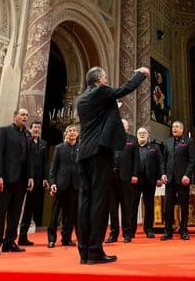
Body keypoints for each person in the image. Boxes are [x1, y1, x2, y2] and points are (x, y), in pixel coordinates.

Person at [76, 66, 148, 265]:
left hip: (84, 154)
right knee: (99, 201)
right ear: (99, 80)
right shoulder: (100, 92)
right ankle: (95, 251)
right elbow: (125, 89)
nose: (107, 81)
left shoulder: (82, 99)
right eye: (105, 78)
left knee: (85, 202)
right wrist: (141, 73)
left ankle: (85, 251)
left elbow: (102, 116)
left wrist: (112, 106)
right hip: (99, 154)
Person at [0, 108, 34, 255]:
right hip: (6, 179)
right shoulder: (4, 131)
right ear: (15, 116)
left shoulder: (28, 134)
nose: (25, 117)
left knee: (15, 213)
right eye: (22, 115)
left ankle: (9, 242)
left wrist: (30, 177)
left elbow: (29, 158)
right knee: (0, 213)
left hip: (21, 180)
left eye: (26, 115)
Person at [160, 120, 195, 240]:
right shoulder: (168, 141)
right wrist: (163, 174)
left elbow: (192, 160)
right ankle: (168, 231)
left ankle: (183, 230)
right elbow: (164, 160)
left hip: (182, 179)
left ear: (181, 129)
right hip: (169, 179)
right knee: (168, 206)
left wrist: (187, 175)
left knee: (184, 206)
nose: (174, 129)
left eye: (176, 127)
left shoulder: (188, 141)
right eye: (173, 127)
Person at [107, 117, 139, 244]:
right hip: (111, 178)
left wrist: (135, 174)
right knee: (112, 208)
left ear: (127, 127)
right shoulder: (111, 139)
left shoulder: (132, 140)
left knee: (127, 207)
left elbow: (136, 159)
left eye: (123, 124)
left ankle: (127, 233)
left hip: (126, 178)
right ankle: (113, 234)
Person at [47, 124, 80, 248]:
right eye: (70, 131)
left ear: (77, 134)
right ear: (66, 134)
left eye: (74, 131)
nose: (72, 132)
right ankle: (51, 239)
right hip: (61, 185)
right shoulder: (59, 148)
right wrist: (53, 183)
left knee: (71, 214)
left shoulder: (81, 148)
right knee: (55, 214)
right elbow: (53, 169)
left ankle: (66, 238)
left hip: (75, 186)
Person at [19, 120, 49, 246]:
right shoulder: (26, 141)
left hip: (37, 181)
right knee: (19, 206)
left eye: (38, 127)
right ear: (30, 129)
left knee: (30, 208)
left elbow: (45, 163)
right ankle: (14, 235)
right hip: (24, 178)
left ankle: (23, 237)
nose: (37, 129)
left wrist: (45, 178)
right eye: (35, 127)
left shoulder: (43, 144)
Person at [131, 127, 162, 238]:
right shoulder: (132, 147)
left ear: (148, 135)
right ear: (137, 135)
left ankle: (149, 229)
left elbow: (159, 163)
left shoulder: (154, 147)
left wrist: (159, 177)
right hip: (135, 180)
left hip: (150, 180)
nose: (142, 134)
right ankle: (131, 230)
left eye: (144, 133)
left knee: (149, 205)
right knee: (133, 205)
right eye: (140, 133)